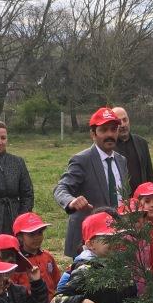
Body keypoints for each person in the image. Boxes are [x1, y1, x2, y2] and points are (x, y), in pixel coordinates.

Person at [53, 107, 131, 257]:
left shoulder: (121, 161)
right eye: (104, 130)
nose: (110, 134)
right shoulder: (82, 160)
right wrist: (71, 201)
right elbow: (60, 188)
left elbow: (124, 196)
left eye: (113, 129)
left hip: (117, 237)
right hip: (90, 242)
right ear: (93, 134)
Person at [112, 107, 153, 189]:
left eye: (125, 120)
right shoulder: (109, 147)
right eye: (118, 122)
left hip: (141, 197)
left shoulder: (141, 143)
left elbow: (149, 174)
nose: (123, 125)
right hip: (120, 198)